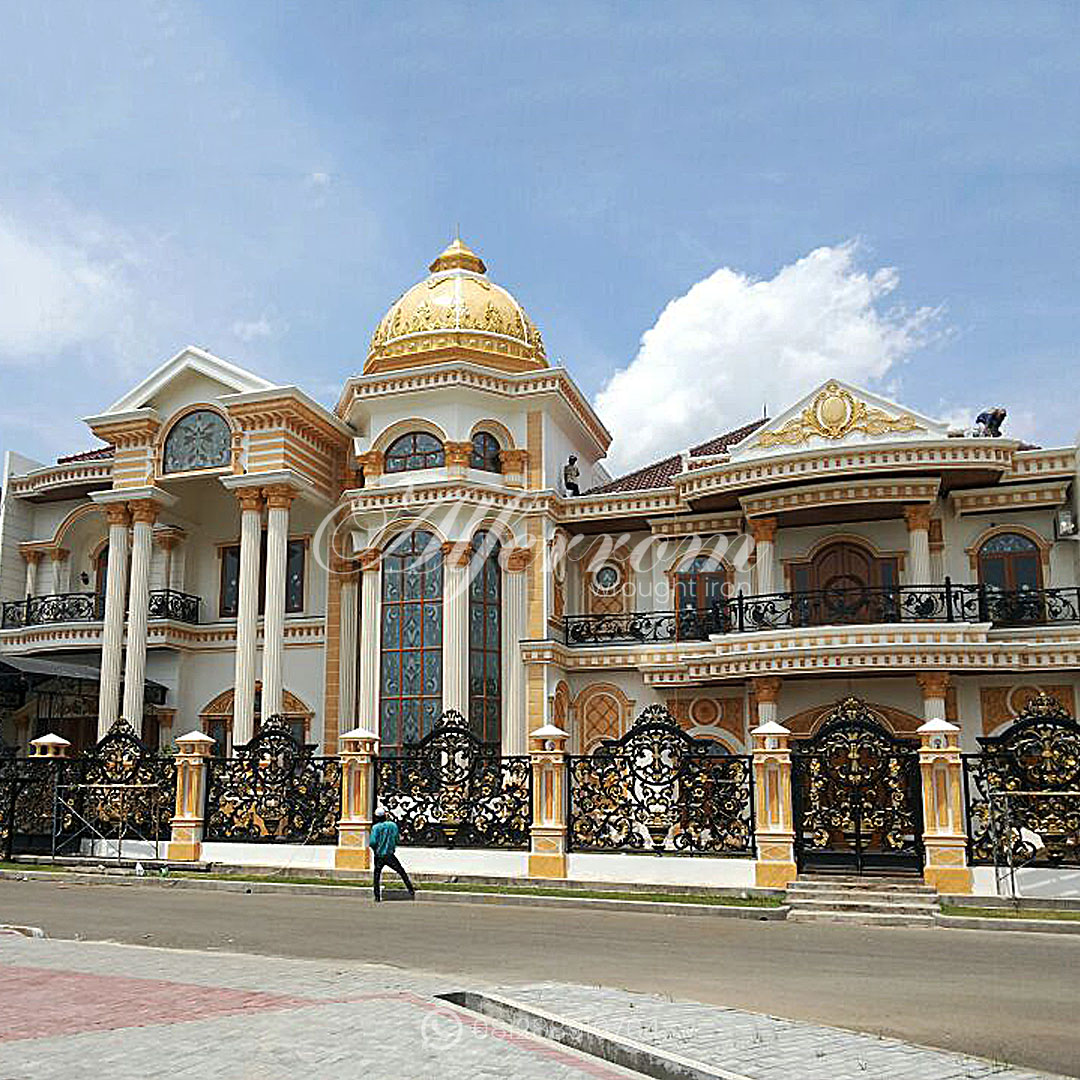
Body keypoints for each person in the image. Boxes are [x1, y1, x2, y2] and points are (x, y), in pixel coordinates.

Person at [369, 810, 416, 902]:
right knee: (401, 871)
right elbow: (397, 838)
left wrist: (376, 849)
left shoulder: (375, 827)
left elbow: (373, 842)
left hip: (379, 855)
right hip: (390, 854)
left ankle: (377, 896)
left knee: (377, 875)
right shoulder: (393, 825)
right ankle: (410, 889)